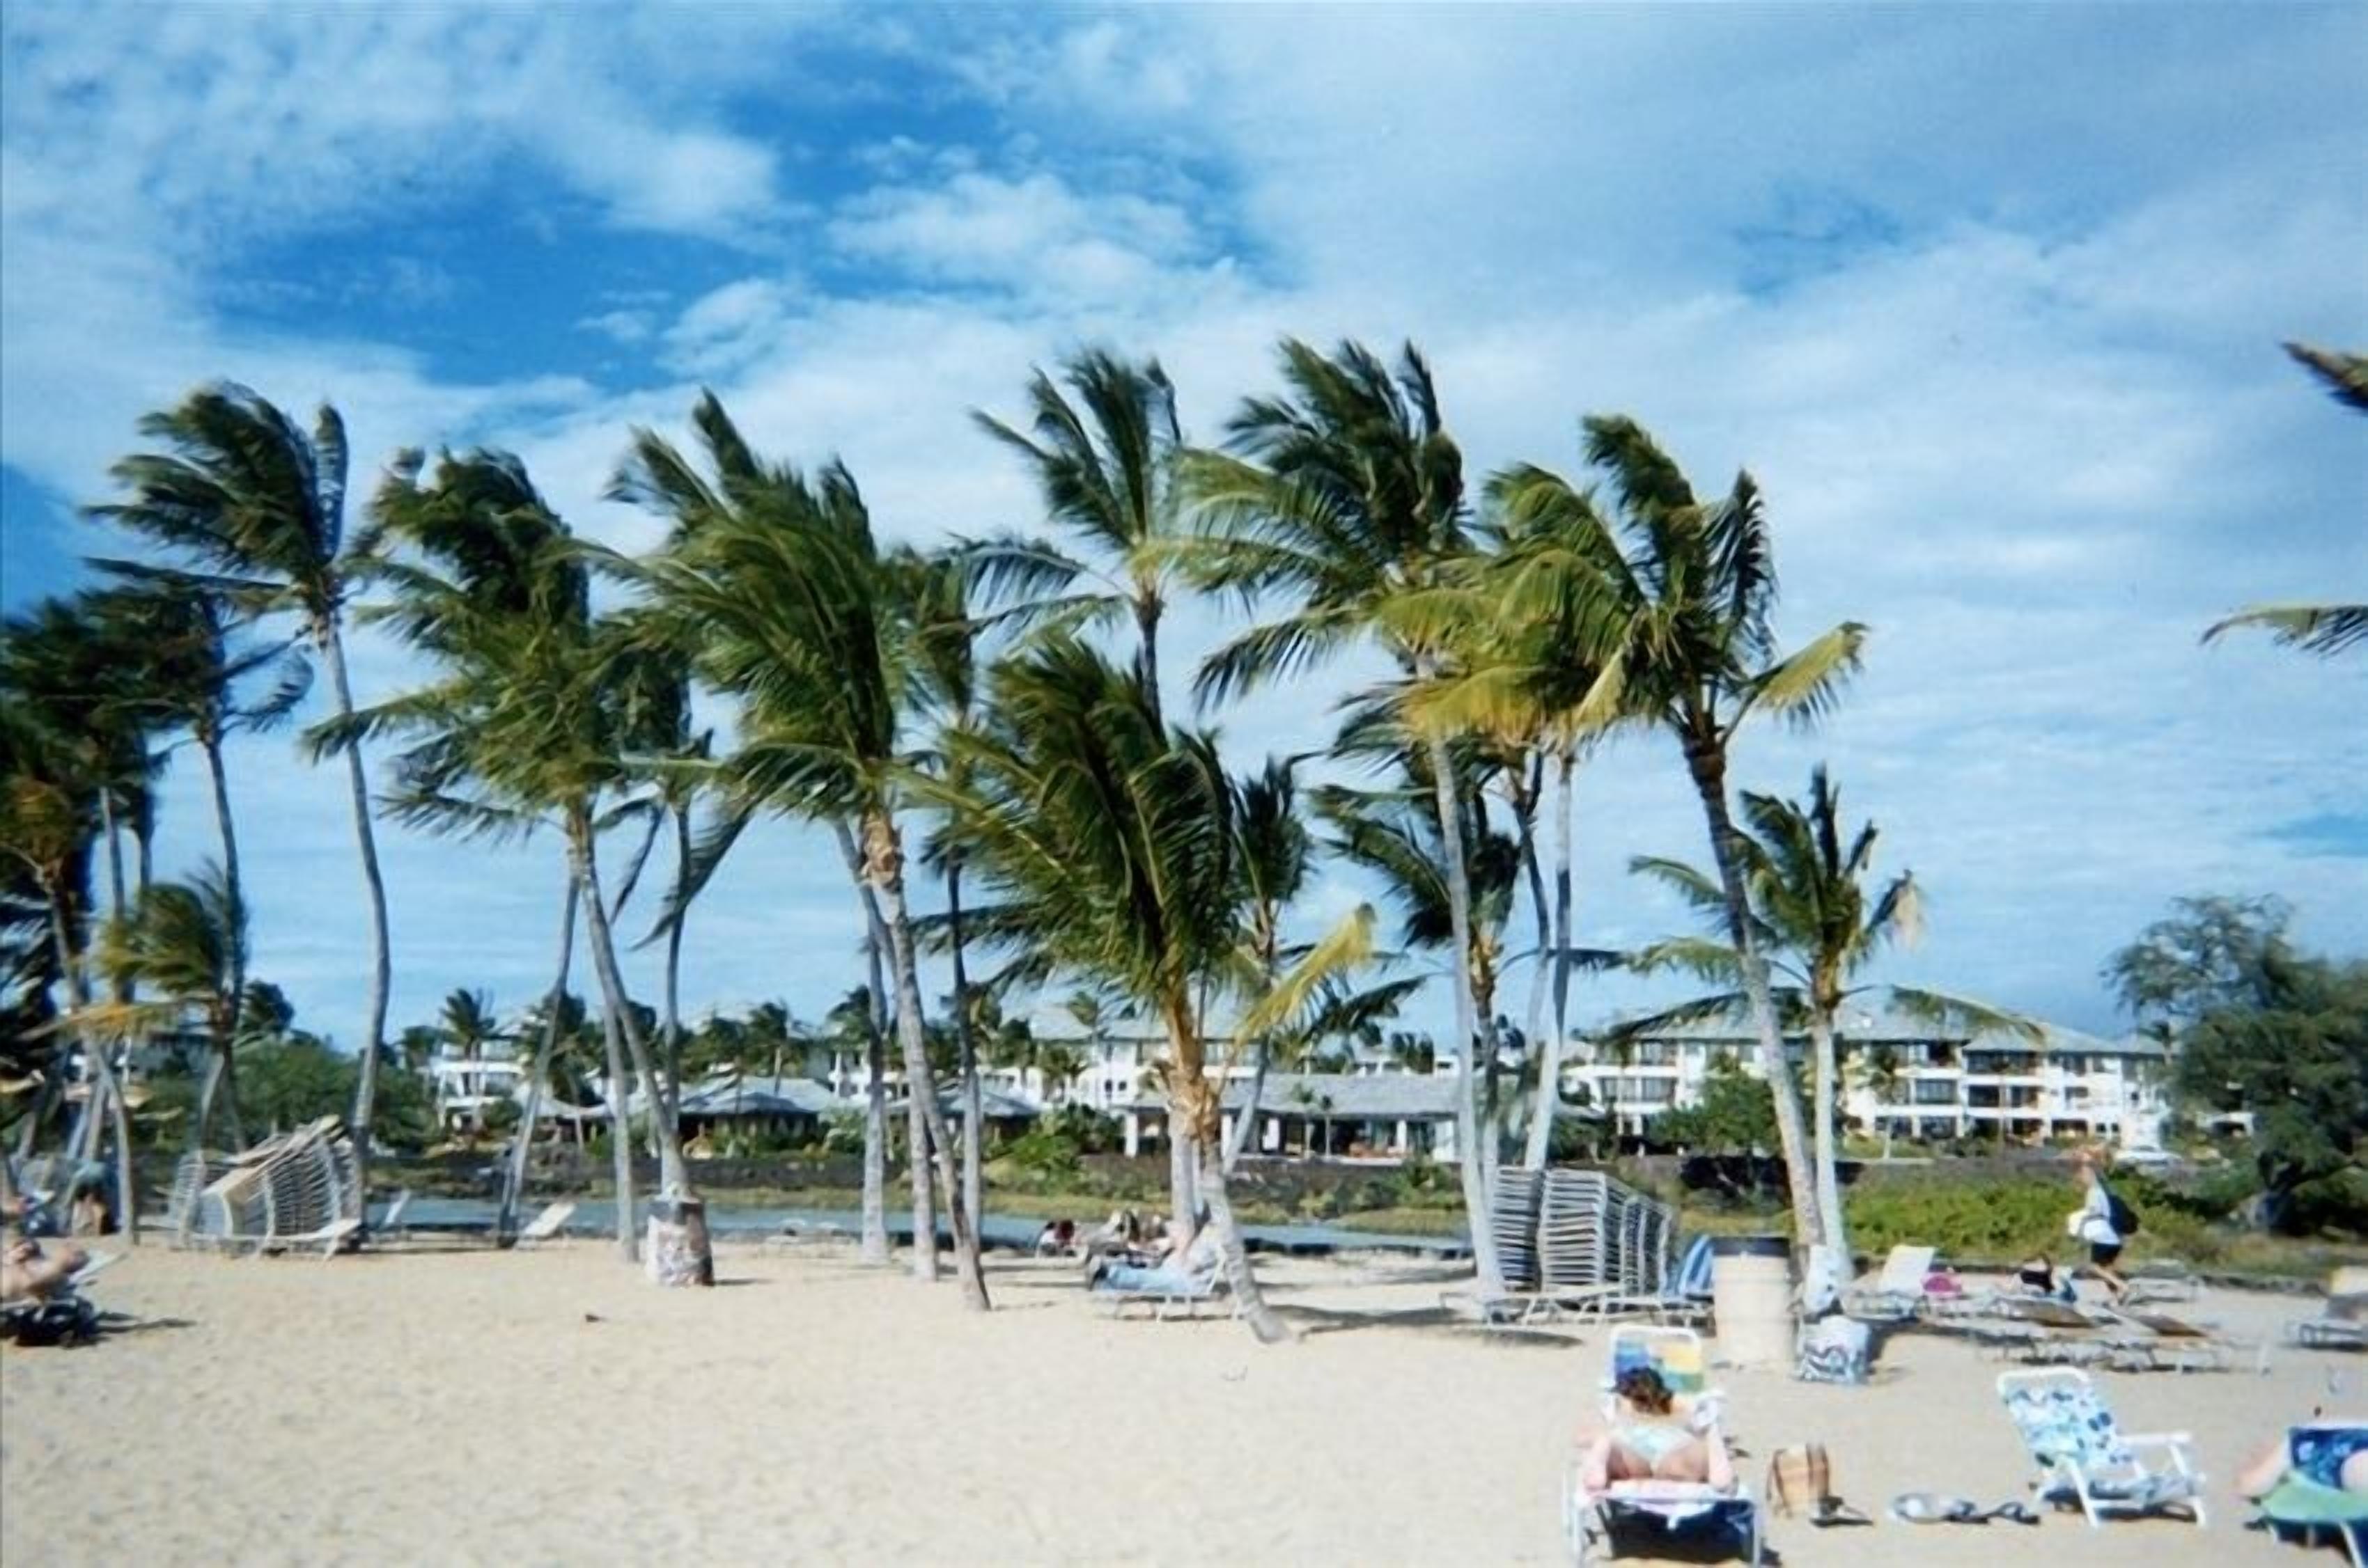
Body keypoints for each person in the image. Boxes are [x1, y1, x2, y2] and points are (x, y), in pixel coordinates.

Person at [1578, 1366, 1736, 1493]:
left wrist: (1607, 1423)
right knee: (1702, 1448)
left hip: (1635, 1460)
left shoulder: (1622, 1410)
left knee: (1607, 1442)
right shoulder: (1680, 1408)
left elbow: (1582, 1439)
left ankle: (1712, 1433)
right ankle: (1713, 1434)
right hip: (1674, 1457)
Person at [2066, 1152, 2130, 1299]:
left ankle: (2122, 1287)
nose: (2080, 1178)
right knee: (2107, 1269)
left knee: (2093, 1267)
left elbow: (2095, 1212)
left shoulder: (2095, 1191)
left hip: (2105, 1237)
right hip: (2115, 1237)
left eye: (2082, 1175)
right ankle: (2117, 1297)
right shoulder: (2104, 1191)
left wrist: (2079, 1223)